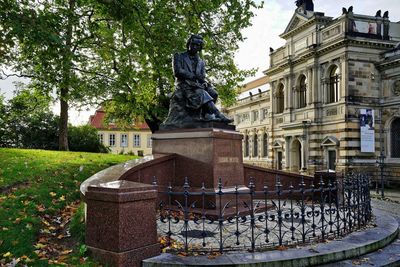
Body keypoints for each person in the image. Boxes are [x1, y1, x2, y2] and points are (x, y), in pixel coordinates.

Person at [166, 34, 232, 124]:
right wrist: (193, 76)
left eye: (197, 45)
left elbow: (202, 77)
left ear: (200, 47)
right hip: (184, 85)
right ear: (188, 44)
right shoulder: (179, 56)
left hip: (197, 85)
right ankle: (218, 114)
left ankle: (206, 115)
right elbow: (177, 71)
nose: (194, 47)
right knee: (202, 93)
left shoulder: (201, 62)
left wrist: (204, 83)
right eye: (193, 44)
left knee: (214, 93)